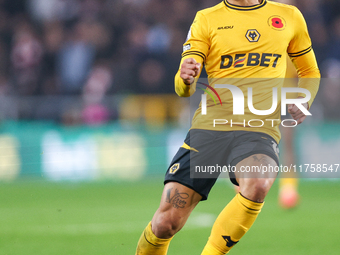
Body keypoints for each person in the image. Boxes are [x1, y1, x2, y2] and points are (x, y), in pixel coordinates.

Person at [136, 0, 320, 254]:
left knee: (258, 182)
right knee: (166, 223)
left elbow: (310, 71)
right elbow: (182, 88)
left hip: (259, 127)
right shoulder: (207, 19)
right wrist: (185, 78)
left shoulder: (289, 16)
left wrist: (305, 97)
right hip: (210, 128)